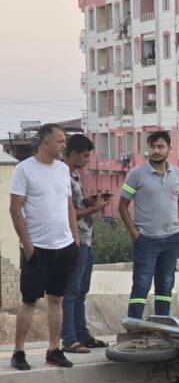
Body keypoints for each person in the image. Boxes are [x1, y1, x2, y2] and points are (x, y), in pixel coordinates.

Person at [8, 124, 80, 370]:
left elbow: (68, 205)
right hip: (37, 247)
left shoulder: (62, 169)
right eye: (60, 141)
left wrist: (75, 238)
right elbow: (15, 209)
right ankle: (19, 352)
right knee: (29, 301)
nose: (64, 146)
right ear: (45, 142)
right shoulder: (24, 169)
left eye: (64, 141)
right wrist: (27, 245)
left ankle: (53, 349)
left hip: (64, 245)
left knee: (56, 299)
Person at [119, 130, 179, 319]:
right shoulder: (136, 174)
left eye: (161, 146)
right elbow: (123, 205)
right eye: (153, 147)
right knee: (141, 284)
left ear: (169, 149)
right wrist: (134, 233)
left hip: (172, 238)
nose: (156, 150)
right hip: (146, 239)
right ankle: (134, 326)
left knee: (166, 284)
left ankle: (162, 325)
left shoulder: (177, 173)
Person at [61, 134, 109, 355]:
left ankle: (82, 335)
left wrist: (90, 202)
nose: (88, 160)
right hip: (75, 240)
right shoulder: (63, 177)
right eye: (85, 156)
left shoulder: (75, 176)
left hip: (87, 239)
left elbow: (78, 205)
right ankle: (69, 338)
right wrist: (94, 209)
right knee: (71, 291)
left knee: (81, 291)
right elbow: (68, 212)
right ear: (73, 154)